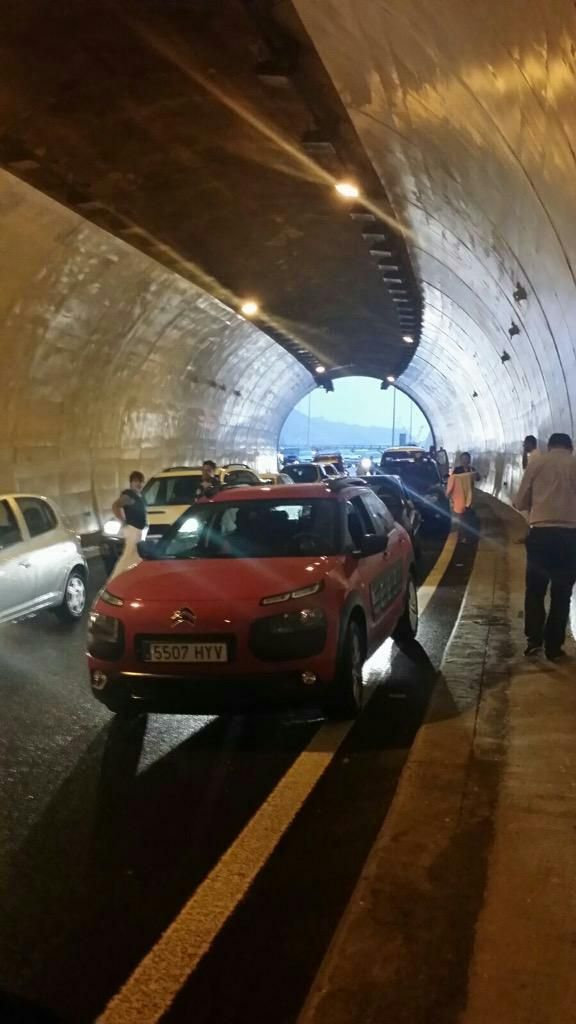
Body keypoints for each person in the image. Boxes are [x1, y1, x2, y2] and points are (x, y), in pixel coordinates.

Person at [515, 432, 576, 660]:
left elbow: (519, 501)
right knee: (562, 594)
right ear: (570, 447)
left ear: (549, 446)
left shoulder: (537, 463)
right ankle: (553, 647)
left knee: (535, 590)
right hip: (569, 537)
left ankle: (534, 640)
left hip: (540, 535)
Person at [109, 470, 147, 580]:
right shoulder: (129, 495)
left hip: (137, 531)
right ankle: (113, 581)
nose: (139, 484)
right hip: (132, 530)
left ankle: (131, 579)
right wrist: (122, 521)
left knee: (134, 557)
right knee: (128, 557)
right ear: (131, 483)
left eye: (140, 481)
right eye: (136, 481)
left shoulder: (138, 496)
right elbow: (115, 505)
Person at [446, 452, 479, 540]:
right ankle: (462, 535)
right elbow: (451, 480)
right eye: (463, 459)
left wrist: (475, 475)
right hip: (460, 496)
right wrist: (449, 493)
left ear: (469, 460)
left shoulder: (471, 469)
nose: (465, 461)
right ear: (461, 460)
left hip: (469, 496)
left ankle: (468, 535)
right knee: (461, 516)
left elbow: (478, 478)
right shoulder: (457, 470)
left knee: (469, 516)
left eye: (467, 459)